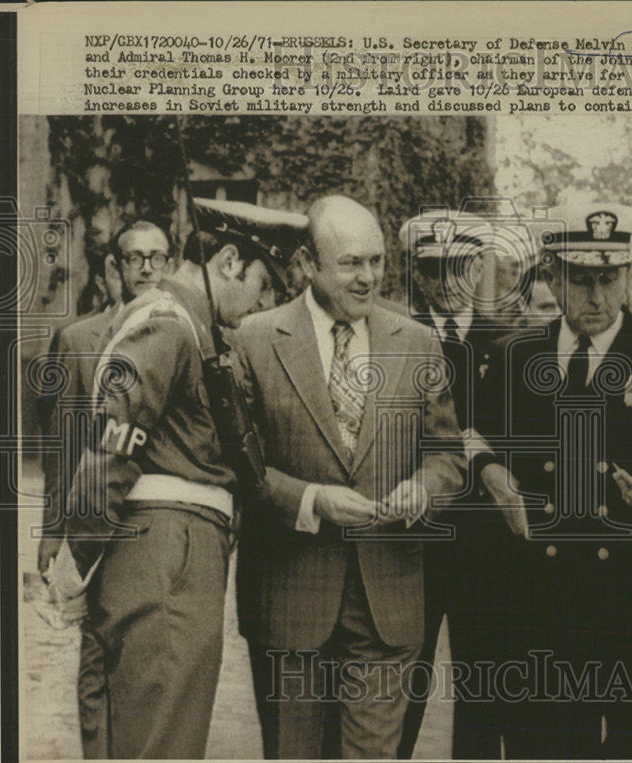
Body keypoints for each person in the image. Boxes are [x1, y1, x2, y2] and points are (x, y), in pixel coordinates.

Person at [46, 199, 300, 759]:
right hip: (168, 553)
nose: (264, 301)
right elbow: (112, 444)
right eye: (263, 284)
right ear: (230, 261)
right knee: (162, 739)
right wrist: (75, 562)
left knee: (140, 736)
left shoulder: (187, 324)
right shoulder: (169, 323)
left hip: (163, 551)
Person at [473, 202, 632, 759]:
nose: (597, 297)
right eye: (581, 280)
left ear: (628, 276)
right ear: (554, 274)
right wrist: (490, 472)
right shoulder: (514, 357)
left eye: (610, 279)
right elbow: (470, 432)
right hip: (540, 610)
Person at [234, 195, 466, 759]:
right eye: (351, 264)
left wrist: (423, 488)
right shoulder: (256, 339)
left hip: (387, 602)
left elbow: (449, 458)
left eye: (377, 262)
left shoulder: (415, 341)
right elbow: (237, 466)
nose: (368, 278)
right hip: (289, 601)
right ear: (307, 264)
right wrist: (310, 499)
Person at [396, 212, 520, 760]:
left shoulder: (514, 346)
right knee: (399, 690)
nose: (447, 283)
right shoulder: (393, 341)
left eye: (460, 268)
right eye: (432, 269)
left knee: (485, 691)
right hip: (413, 541)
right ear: (417, 275)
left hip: (487, 547)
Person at [37, 220, 170, 574]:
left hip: (158, 522)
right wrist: (53, 528)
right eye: (136, 258)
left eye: (157, 258)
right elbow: (64, 443)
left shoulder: (182, 333)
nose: (147, 268)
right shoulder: (79, 341)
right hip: (97, 514)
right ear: (116, 266)